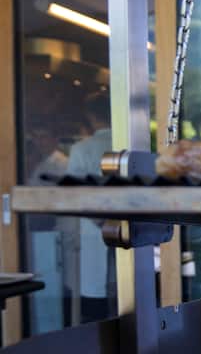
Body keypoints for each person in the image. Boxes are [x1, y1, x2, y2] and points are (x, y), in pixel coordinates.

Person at [66, 91, 113, 322]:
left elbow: (74, 193)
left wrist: (98, 219)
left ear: (91, 117)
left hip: (92, 232)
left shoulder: (81, 149)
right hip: (129, 226)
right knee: (129, 290)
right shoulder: (130, 144)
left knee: (95, 296)